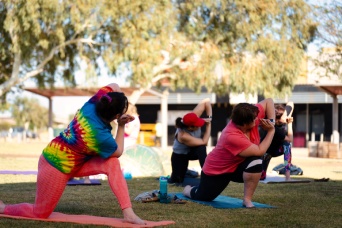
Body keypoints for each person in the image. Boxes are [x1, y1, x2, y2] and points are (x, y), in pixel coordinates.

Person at [0, 83, 146, 225]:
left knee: (112, 163)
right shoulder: (98, 135)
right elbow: (119, 151)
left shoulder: (93, 104)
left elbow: (113, 85)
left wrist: (118, 98)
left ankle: (129, 214)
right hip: (55, 164)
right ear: (116, 115)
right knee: (40, 213)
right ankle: (3, 208)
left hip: (77, 162)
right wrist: (121, 126)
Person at [182, 98, 275, 208]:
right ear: (245, 123)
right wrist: (271, 130)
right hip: (217, 171)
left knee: (256, 162)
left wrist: (271, 121)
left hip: (236, 166)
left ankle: (247, 200)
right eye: (254, 119)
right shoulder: (231, 136)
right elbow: (260, 151)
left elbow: (269, 101)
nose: (258, 120)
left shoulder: (249, 115)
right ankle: (189, 189)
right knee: (202, 196)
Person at [169, 98, 212, 185]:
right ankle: (183, 173)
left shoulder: (192, 117)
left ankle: (207, 175)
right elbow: (205, 141)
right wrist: (208, 126)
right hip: (180, 156)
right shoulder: (183, 135)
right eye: (198, 125)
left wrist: (209, 117)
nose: (200, 124)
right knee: (177, 181)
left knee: (201, 148)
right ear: (190, 128)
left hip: (192, 151)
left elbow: (206, 101)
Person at [260, 102, 294, 181]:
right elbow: (290, 138)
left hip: (277, 150)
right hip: (266, 152)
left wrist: (286, 115)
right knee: (261, 177)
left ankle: (287, 176)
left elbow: (291, 103)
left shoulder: (282, 120)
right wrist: (289, 124)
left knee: (287, 145)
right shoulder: (274, 127)